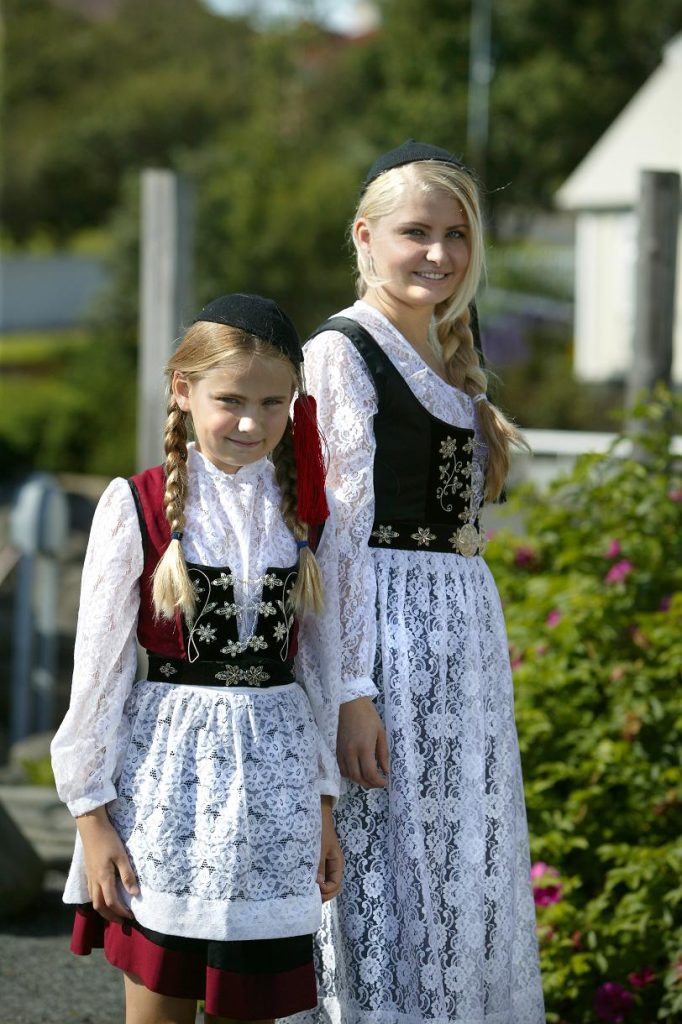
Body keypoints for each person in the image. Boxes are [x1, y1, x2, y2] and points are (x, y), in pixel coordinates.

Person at [292, 141, 545, 1023]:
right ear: (366, 235)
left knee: (454, 871)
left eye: (457, 234)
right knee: (388, 873)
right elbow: (341, 537)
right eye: (416, 233)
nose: (439, 253)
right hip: (386, 644)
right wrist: (351, 690)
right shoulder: (342, 350)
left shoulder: (444, 355)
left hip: (458, 643)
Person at [51, 293, 347, 1024]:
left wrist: (324, 807)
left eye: (273, 402)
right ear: (183, 390)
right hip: (165, 790)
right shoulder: (138, 505)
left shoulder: (304, 513)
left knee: (251, 1008)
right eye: (231, 399)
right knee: (158, 1011)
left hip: (275, 795)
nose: (252, 421)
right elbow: (99, 673)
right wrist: (91, 818)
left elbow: (317, 674)